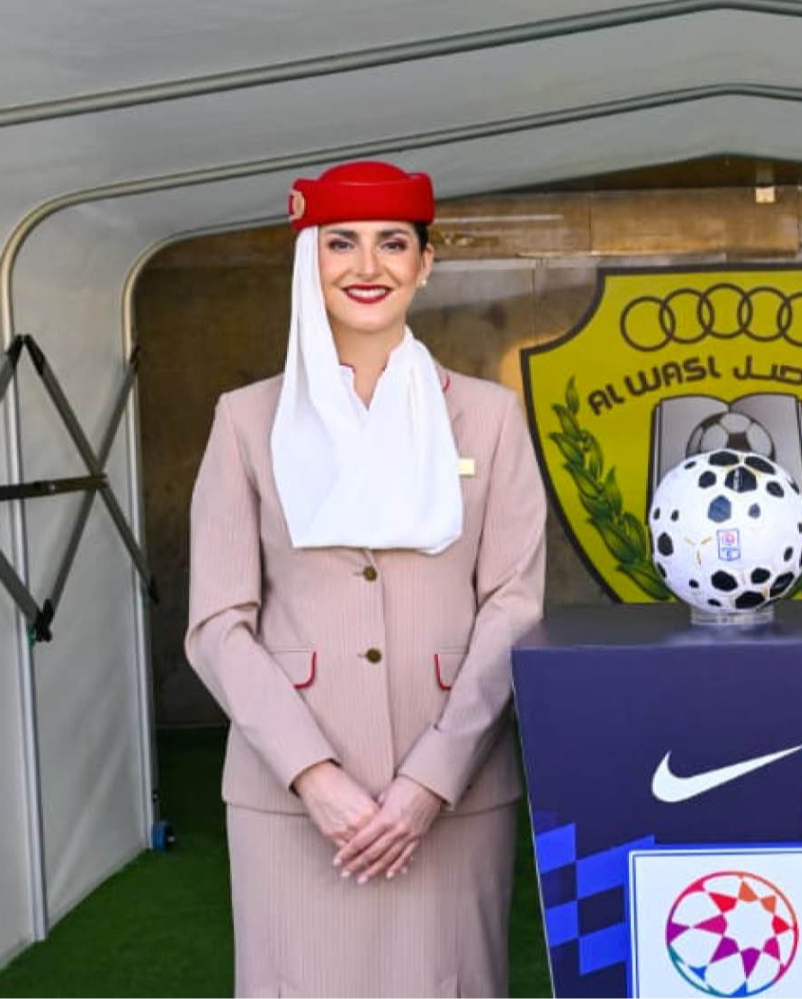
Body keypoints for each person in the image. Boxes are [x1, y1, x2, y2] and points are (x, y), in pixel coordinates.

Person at [186, 161, 546, 999]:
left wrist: (429, 780)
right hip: (289, 795)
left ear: (426, 263)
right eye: (340, 243)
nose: (368, 265)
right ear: (307, 261)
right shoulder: (246, 419)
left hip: (453, 787)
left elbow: (514, 605)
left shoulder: (490, 417)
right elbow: (218, 622)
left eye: (393, 243)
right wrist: (314, 775)